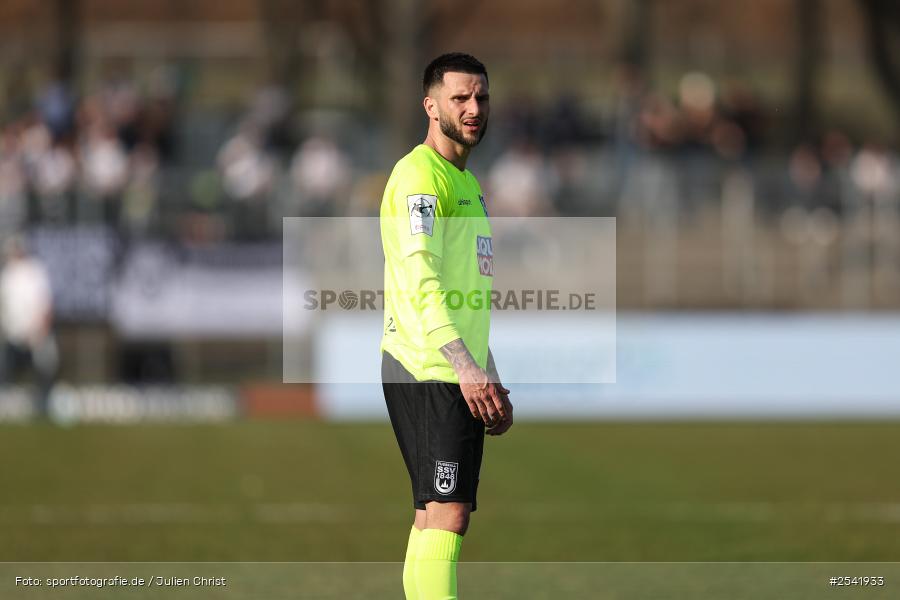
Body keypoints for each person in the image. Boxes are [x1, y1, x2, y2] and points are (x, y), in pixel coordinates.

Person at [380, 53, 513, 600]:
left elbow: (468, 293)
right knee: (449, 513)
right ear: (431, 106)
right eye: (460, 98)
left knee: (432, 516)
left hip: (446, 367)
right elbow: (422, 281)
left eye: (480, 96)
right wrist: (464, 367)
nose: (473, 108)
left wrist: (487, 369)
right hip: (429, 366)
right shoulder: (420, 178)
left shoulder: (466, 183)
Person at [0, 236, 57, 417]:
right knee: (5, 368)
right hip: (12, 336)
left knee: (46, 366)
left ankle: (44, 405)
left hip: (35, 334)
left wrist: (40, 329)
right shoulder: (6, 275)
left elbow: (46, 304)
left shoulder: (35, 271)